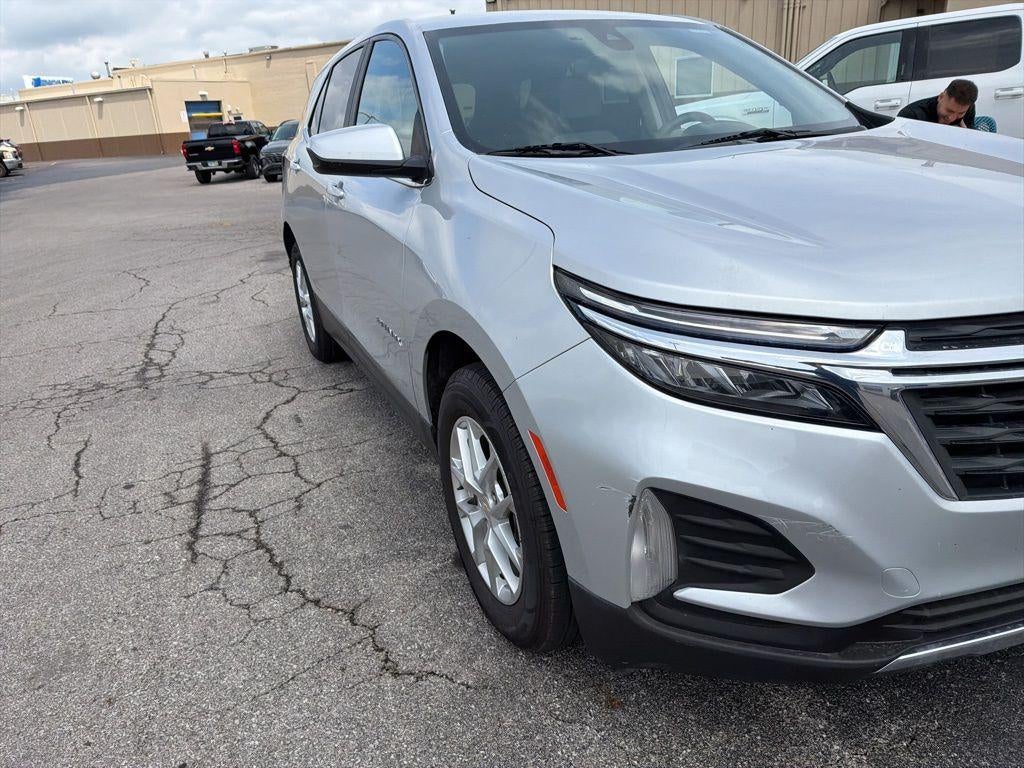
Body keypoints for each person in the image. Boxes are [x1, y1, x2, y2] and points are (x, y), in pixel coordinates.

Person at [898, 79, 978, 129]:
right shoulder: (912, 115)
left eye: (960, 113)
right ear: (941, 97)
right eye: (949, 110)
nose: (952, 118)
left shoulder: (969, 109)